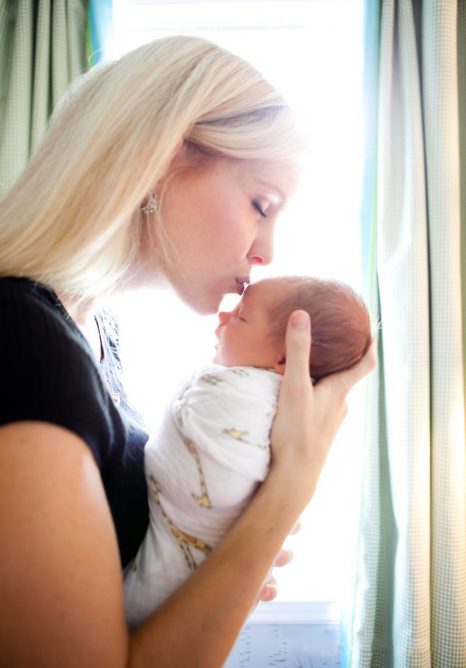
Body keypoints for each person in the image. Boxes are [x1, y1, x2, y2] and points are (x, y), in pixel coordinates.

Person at [0, 35, 375, 667]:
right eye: (262, 204)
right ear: (164, 157)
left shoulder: (95, 336)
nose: (268, 252)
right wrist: (289, 489)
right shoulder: (20, 339)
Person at [124, 275, 372, 627]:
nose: (223, 318)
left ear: (285, 358)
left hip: (156, 598)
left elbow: (211, 479)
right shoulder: (285, 409)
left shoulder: (238, 393)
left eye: (240, 317)